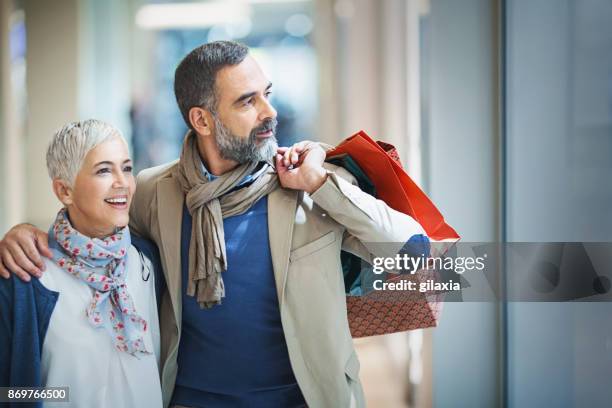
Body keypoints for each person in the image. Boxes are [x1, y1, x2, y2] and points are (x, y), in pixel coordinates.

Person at [0, 41, 429, 408]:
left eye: (267, 94)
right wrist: (26, 236)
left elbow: (413, 252)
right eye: (247, 101)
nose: (269, 112)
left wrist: (320, 182)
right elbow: (93, 236)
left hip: (300, 399)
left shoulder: (310, 184)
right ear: (201, 120)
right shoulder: (153, 192)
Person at [0, 120, 163, 408]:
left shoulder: (149, 262)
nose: (122, 182)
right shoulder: (26, 279)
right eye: (103, 170)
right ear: (65, 191)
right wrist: (63, 396)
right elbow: (8, 393)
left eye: (126, 168)